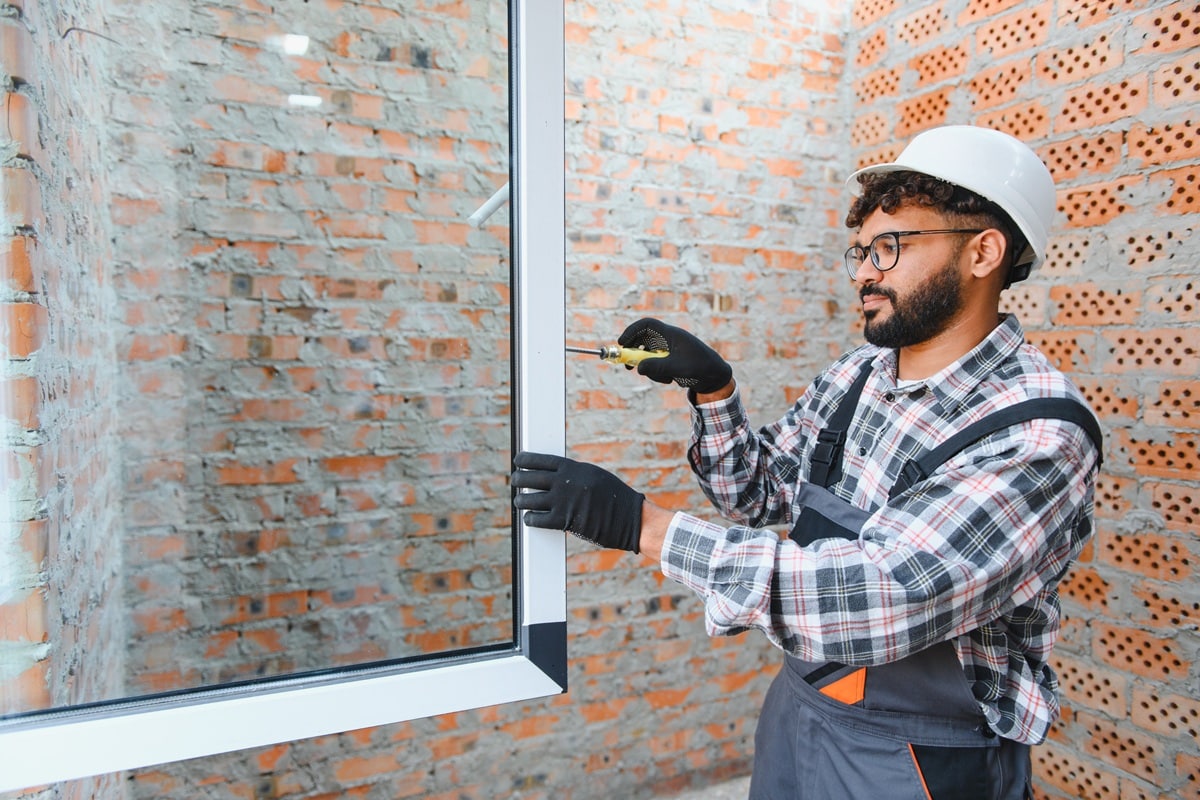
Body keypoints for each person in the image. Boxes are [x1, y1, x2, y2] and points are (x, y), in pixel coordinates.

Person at [512, 125, 1102, 799]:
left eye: (890, 247)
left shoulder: (1038, 435)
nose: (863, 273)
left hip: (920, 760)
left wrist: (641, 526)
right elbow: (758, 496)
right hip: (802, 712)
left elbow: (877, 596)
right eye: (860, 251)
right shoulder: (861, 375)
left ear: (983, 252)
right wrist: (713, 391)